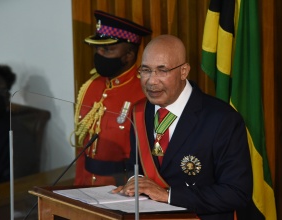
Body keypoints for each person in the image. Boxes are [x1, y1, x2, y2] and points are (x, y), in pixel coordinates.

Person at [113, 35, 253, 220]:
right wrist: (134, 183)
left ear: (184, 71)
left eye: (162, 71)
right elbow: (134, 164)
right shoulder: (139, 111)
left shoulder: (222, 119)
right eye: (146, 70)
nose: (151, 81)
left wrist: (169, 195)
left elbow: (236, 192)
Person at [74, 10, 152, 186]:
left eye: (108, 49)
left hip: (122, 191)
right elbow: (82, 149)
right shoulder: (90, 86)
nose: (100, 54)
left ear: (129, 55)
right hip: (85, 188)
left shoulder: (144, 92)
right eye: (97, 48)